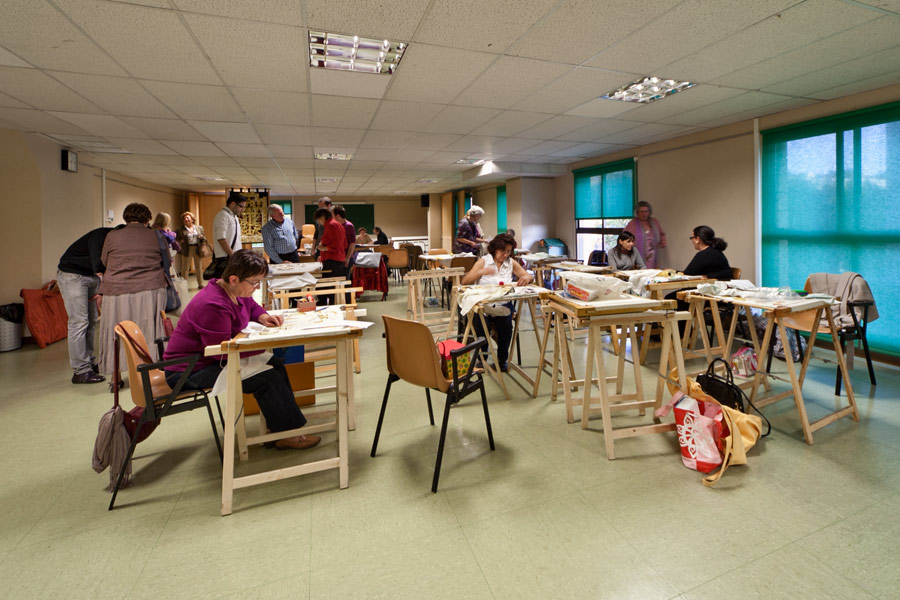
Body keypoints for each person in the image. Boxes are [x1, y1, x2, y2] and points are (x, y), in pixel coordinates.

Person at [162, 250, 320, 450]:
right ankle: (287, 434)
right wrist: (260, 344)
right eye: (254, 283)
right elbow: (221, 351)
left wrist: (263, 317)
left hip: (207, 360)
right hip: (187, 371)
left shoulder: (234, 290)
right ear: (234, 279)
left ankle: (280, 428)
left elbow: (251, 306)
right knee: (267, 378)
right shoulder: (212, 304)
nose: (256, 287)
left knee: (275, 364)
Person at [96, 203, 168, 385]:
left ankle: (116, 377)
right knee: (148, 329)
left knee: (118, 331)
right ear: (147, 218)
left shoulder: (112, 236)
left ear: (126, 218)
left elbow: (104, 260)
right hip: (150, 288)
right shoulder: (156, 235)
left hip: (116, 290)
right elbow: (166, 260)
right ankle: (151, 372)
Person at [461, 233, 534, 372]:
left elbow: (527, 275)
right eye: (503, 251)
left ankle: (502, 360)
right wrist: (481, 272)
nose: (505, 255)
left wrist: (527, 278)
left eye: (508, 252)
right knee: (481, 327)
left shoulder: (510, 263)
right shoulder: (484, 261)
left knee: (506, 327)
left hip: (503, 304)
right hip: (483, 305)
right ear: (495, 249)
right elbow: (465, 281)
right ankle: (481, 359)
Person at [57, 227, 116, 384]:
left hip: (90, 277)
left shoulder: (112, 239)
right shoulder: (100, 236)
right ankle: (80, 371)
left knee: (91, 321)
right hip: (72, 276)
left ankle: (89, 362)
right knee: (79, 322)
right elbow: (99, 265)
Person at [211, 192, 247, 279]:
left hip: (233, 257)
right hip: (225, 257)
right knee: (225, 283)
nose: (242, 210)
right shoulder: (223, 215)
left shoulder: (234, 217)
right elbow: (221, 238)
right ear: (233, 204)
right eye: (241, 206)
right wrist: (232, 255)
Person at [624, 201, 667, 269]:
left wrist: (663, 241)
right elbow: (624, 237)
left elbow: (662, 234)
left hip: (653, 255)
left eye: (646, 211)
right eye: (642, 212)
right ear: (637, 212)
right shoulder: (633, 223)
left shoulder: (654, 222)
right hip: (638, 254)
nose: (644, 214)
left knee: (652, 272)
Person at [175, 211, 206, 289]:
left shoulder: (199, 228)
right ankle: (183, 285)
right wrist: (180, 241)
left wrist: (202, 238)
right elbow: (174, 237)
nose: (186, 220)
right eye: (184, 219)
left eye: (187, 218)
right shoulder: (180, 229)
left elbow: (204, 238)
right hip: (187, 249)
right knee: (185, 268)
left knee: (199, 267)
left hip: (197, 248)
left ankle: (200, 284)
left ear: (192, 219)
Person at [315, 207, 347, 281]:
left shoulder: (330, 225)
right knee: (337, 283)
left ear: (322, 217)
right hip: (339, 259)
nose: (319, 222)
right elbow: (345, 244)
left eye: (318, 219)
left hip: (332, 261)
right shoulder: (338, 224)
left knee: (329, 285)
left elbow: (335, 245)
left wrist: (323, 248)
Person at [331, 205, 356, 276]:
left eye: (332, 215)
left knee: (344, 278)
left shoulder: (349, 226)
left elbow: (352, 243)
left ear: (338, 216)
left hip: (346, 258)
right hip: (338, 257)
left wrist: (347, 258)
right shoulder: (337, 225)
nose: (331, 217)